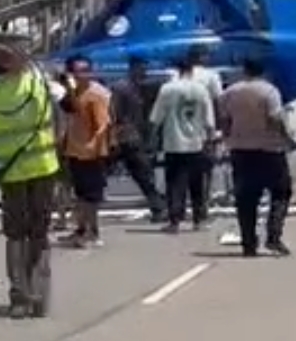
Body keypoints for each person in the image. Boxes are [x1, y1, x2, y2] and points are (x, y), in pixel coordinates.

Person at [0, 44, 59, 319]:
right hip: (42, 168)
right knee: (38, 234)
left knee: (16, 236)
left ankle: (21, 296)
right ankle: (36, 294)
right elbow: (62, 110)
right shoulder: (39, 85)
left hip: (13, 173)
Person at [218, 57, 293, 257]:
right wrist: (286, 137)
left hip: (241, 151)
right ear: (263, 71)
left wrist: (228, 137)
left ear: (245, 70)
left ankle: (248, 243)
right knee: (281, 193)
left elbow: (224, 120)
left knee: (246, 199)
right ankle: (273, 236)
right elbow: (275, 118)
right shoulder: (269, 91)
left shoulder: (230, 92)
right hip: (270, 150)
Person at [149, 58, 216, 233]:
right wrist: (210, 139)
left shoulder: (167, 89)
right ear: (192, 70)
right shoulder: (201, 89)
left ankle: (175, 220)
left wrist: (153, 138)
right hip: (196, 142)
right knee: (197, 184)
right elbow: (209, 119)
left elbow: (156, 117)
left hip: (174, 142)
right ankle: (199, 219)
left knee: (174, 184)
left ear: (178, 70)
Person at [58, 55, 111, 248]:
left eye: (86, 71)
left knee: (91, 196)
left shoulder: (96, 94)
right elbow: (68, 111)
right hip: (75, 149)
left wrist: (95, 147)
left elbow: (103, 125)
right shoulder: (74, 93)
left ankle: (92, 232)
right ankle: (81, 229)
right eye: (78, 71)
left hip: (91, 152)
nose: (83, 75)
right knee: (80, 195)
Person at [109, 56, 165, 223]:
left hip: (135, 136)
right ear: (133, 68)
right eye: (141, 68)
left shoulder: (138, 87)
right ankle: (158, 206)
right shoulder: (122, 88)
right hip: (127, 136)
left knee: (143, 174)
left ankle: (158, 206)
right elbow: (115, 113)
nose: (144, 72)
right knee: (142, 173)